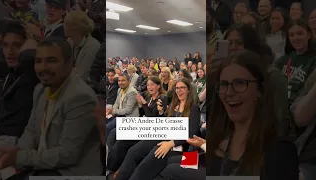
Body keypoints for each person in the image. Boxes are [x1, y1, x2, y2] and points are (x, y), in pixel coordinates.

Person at [0, 37, 102, 178]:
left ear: (69, 64)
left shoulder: (80, 97)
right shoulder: (40, 89)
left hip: (70, 172)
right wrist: (16, 154)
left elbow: (67, 155)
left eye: (51, 61)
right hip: (44, 164)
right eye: (38, 61)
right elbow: (31, 131)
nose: (43, 67)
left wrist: (20, 158)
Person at [206, 50, 298, 178]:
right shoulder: (216, 141)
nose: (229, 92)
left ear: (260, 90)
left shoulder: (279, 151)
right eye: (224, 84)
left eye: (240, 83)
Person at [115, 78, 200, 180]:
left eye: (182, 88)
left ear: (188, 90)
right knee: (134, 151)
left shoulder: (194, 108)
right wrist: (161, 113)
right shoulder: (174, 105)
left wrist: (171, 143)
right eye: (177, 88)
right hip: (165, 136)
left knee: (148, 162)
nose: (179, 90)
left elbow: (191, 134)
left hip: (180, 146)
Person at [0, 21, 39, 138]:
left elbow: (28, 57)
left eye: (17, 45)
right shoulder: (9, 69)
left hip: (13, 141)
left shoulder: (31, 74)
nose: (10, 51)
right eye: (5, 45)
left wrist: (33, 37)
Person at [64, 10, 100, 79]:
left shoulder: (92, 47)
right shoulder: (70, 40)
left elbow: (82, 76)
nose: (63, 26)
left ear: (74, 29)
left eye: (66, 24)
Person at [106, 73, 139, 137]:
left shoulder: (132, 92)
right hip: (120, 115)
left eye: (123, 80)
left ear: (129, 82)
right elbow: (117, 103)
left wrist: (113, 111)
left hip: (128, 118)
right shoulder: (120, 89)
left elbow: (128, 110)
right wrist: (112, 111)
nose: (120, 82)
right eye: (119, 81)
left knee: (107, 128)